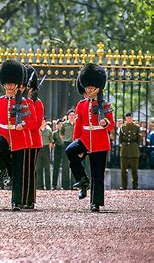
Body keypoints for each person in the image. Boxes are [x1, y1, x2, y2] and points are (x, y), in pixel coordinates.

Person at [65, 63, 114, 212]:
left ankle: (95, 203)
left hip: (100, 141)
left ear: (98, 88)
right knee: (70, 151)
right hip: (85, 139)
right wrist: (76, 140)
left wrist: (105, 123)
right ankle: (82, 179)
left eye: (92, 88)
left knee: (97, 173)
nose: (89, 90)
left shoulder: (104, 105)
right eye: (88, 87)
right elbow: (78, 125)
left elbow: (111, 125)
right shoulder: (81, 105)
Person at [0, 59, 35, 211]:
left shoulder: (25, 102)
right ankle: (3, 169)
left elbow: (31, 121)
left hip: (20, 138)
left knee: (18, 172)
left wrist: (23, 124)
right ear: (3, 84)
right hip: (4, 135)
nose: (9, 87)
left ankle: (16, 201)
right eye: (7, 84)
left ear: (17, 85)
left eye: (12, 84)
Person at [21, 64, 43, 209]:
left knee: (29, 170)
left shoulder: (37, 103)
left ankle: (30, 199)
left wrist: (23, 124)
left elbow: (37, 124)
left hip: (33, 141)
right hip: (20, 140)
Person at [119, 113, 141, 190]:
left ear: (132, 118)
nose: (129, 118)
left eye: (130, 117)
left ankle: (135, 185)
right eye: (127, 117)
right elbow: (120, 139)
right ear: (125, 118)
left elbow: (139, 139)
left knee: (134, 169)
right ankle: (124, 185)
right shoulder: (122, 127)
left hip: (134, 149)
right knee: (123, 169)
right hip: (124, 149)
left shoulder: (137, 127)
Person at [61, 109, 76, 187]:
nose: (72, 116)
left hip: (75, 144)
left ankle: (74, 184)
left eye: (73, 115)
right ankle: (65, 185)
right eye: (70, 115)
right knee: (65, 164)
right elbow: (62, 134)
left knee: (74, 164)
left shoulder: (77, 124)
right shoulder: (64, 124)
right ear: (68, 116)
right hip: (67, 144)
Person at [36, 117, 53, 190]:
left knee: (47, 168)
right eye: (41, 121)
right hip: (39, 149)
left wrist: (49, 151)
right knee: (38, 168)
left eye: (44, 121)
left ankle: (48, 186)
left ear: (46, 122)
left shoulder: (49, 130)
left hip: (46, 148)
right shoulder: (37, 130)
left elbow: (50, 142)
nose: (42, 122)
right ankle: (39, 186)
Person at [51, 119, 66, 189]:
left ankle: (65, 185)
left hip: (64, 148)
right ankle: (54, 184)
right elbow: (52, 142)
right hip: (57, 148)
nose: (60, 126)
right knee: (56, 167)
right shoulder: (54, 133)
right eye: (59, 124)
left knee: (65, 166)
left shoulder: (65, 132)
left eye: (61, 124)